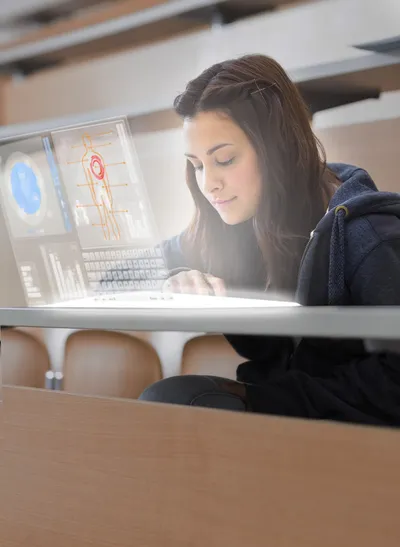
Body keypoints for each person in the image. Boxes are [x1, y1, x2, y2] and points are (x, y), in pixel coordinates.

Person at [139, 54, 400, 427]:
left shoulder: (369, 236)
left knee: (175, 401)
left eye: (225, 159)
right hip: (288, 422)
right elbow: (127, 270)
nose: (209, 183)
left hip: (359, 444)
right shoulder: (231, 225)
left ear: (277, 148)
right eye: (197, 165)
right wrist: (177, 275)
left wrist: (266, 399)